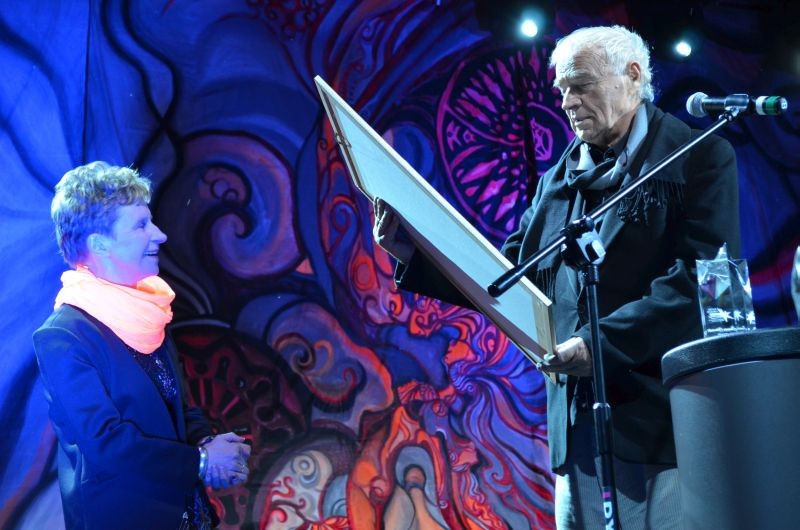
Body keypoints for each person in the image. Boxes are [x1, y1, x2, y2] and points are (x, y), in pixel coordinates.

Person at [373, 25, 739, 528]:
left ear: (633, 76)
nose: (567, 102)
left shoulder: (696, 158)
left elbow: (698, 283)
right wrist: (415, 254)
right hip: (576, 425)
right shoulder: (557, 180)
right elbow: (506, 275)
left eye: (581, 86)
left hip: (659, 420)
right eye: (562, 89)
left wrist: (596, 346)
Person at [33, 162, 252, 530]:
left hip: (184, 511)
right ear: (99, 244)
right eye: (140, 225)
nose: (160, 235)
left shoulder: (147, 311)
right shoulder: (63, 337)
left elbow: (178, 408)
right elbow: (107, 445)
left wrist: (208, 443)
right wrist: (200, 462)